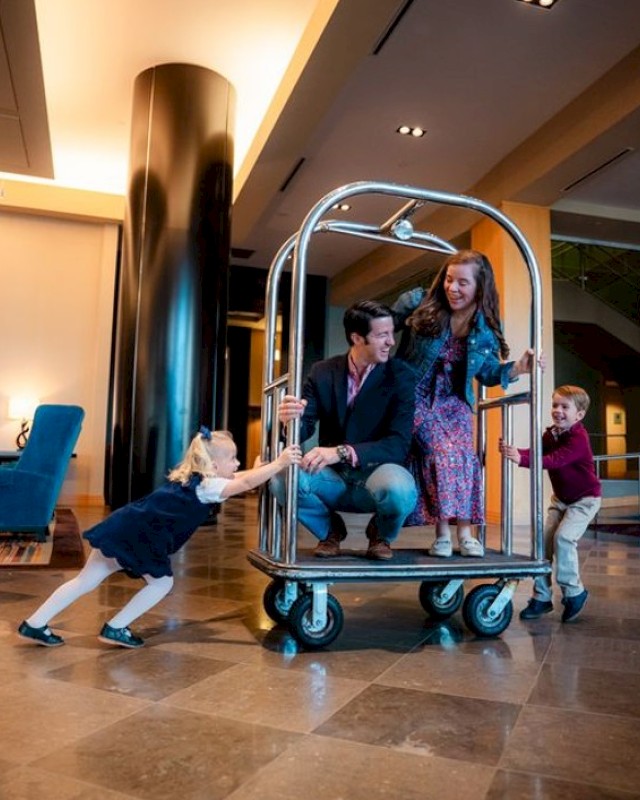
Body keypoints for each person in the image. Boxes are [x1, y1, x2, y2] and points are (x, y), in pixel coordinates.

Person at [17, 428, 301, 648]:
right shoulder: (208, 486)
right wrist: (279, 463)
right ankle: (116, 628)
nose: (237, 463)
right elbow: (245, 482)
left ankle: (35, 623)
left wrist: (260, 468)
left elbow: (241, 477)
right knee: (162, 583)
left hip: (123, 526)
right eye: (233, 458)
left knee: (85, 581)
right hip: (141, 537)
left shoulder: (195, 477)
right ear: (214, 464)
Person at [393, 249, 540, 558]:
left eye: (462, 283)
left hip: (454, 399)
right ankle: (443, 533)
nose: (453, 288)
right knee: (442, 452)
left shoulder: (483, 328)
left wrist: (518, 369)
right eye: (448, 280)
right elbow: (378, 326)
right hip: (415, 395)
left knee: (466, 456)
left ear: (479, 287)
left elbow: (487, 373)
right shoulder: (419, 302)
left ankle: (465, 532)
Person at [273, 300, 417, 561]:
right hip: (333, 481)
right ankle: (330, 530)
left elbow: (399, 444)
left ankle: (381, 534)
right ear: (357, 338)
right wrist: (290, 421)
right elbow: (303, 429)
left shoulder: (402, 376)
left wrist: (340, 452)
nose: (390, 342)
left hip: (377, 476)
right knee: (279, 477)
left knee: (401, 490)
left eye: (391, 334)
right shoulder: (322, 372)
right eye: (382, 335)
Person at [499, 384, 601, 623]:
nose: (558, 410)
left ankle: (574, 592)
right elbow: (538, 452)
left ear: (579, 415)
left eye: (565, 407)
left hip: (584, 500)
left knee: (563, 538)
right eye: (555, 405)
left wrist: (522, 459)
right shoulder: (551, 434)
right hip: (561, 500)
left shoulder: (578, 438)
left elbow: (555, 460)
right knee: (543, 544)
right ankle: (542, 597)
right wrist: (516, 451)